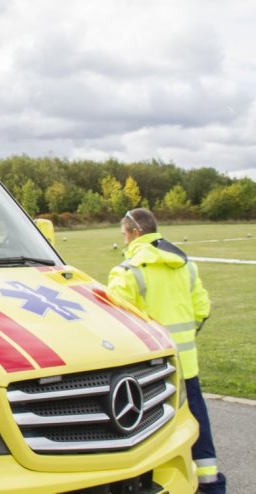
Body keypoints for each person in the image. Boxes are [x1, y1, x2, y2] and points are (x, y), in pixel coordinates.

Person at [107, 208, 226, 494]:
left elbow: (116, 324)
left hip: (151, 373)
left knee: (150, 436)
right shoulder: (185, 264)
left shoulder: (128, 271)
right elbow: (202, 309)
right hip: (187, 365)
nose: (123, 241)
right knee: (198, 428)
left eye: (124, 235)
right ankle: (210, 484)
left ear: (135, 233)